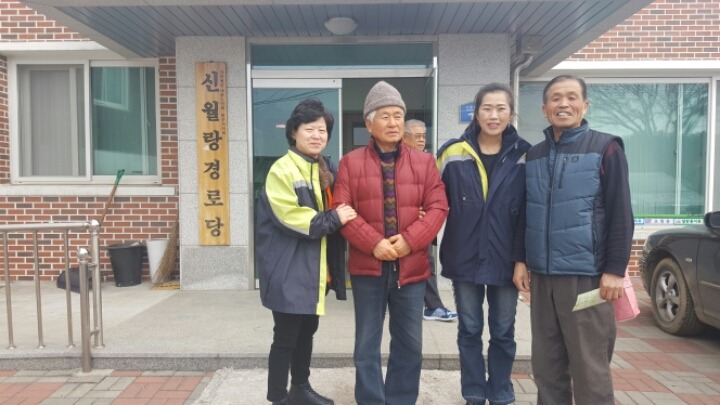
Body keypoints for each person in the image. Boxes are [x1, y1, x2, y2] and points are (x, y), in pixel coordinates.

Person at [516, 75, 634, 404]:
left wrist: (615, 270)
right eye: (555, 98)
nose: (563, 104)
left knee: (589, 367)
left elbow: (621, 213)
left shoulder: (606, 148)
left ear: (585, 105)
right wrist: (521, 260)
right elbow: (525, 213)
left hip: (587, 278)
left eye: (571, 97)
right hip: (543, 278)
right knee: (547, 366)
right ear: (544, 109)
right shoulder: (534, 155)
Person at [333, 81, 449, 405]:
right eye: (384, 116)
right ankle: (371, 399)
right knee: (366, 344)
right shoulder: (350, 162)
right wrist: (374, 243)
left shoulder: (424, 162)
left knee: (410, 345)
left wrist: (409, 242)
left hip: (411, 270)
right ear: (369, 124)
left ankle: (400, 399)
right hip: (367, 269)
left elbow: (438, 207)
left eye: (398, 115)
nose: (393, 122)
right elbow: (340, 209)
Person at [256, 98, 357, 405]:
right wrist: (334, 218)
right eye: (309, 129)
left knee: (307, 331)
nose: (317, 135)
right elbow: (293, 219)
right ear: (293, 132)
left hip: (313, 270)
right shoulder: (282, 170)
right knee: (285, 337)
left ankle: (300, 388)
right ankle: (278, 397)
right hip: (287, 269)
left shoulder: (324, 168)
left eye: (322, 130)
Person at [436, 83, 531, 405]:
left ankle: (501, 389)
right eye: (487, 108)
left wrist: (522, 259)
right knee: (469, 329)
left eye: (501, 108)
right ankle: (474, 391)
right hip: (464, 256)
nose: (494, 115)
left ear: (511, 113)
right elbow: (431, 202)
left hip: (507, 259)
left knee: (503, 331)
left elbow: (530, 213)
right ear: (476, 113)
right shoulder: (452, 153)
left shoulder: (525, 154)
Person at [402, 119, 457, 322]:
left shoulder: (427, 161)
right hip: (401, 223)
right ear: (404, 137)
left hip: (422, 223)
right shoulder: (396, 160)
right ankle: (431, 306)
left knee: (426, 262)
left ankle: (433, 306)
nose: (421, 140)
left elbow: (435, 191)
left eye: (424, 136)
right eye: (417, 136)